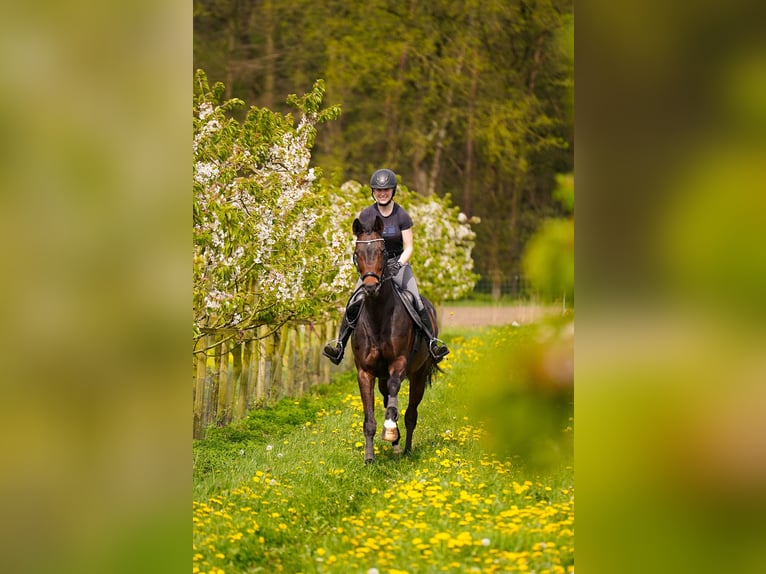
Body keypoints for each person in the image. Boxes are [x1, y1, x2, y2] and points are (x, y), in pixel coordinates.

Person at [323, 168, 450, 365]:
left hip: (398, 264)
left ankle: (432, 343)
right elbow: (358, 242)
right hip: (373, 267)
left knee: (415, 299)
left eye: (387, 190)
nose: (382, 193)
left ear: (393, 191)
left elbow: (409, 247)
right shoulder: (366, 215)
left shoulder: (401, 215)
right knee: (354, 301)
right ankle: (339, 344)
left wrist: (399, 265)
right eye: (378, 190)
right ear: (373, 192)